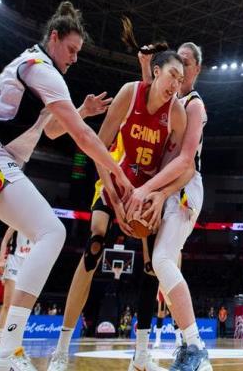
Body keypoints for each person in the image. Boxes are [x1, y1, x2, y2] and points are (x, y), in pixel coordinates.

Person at [0, 1, 132, 371]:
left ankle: (6, 350)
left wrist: (81, 110)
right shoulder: (43, 70)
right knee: (51, 231)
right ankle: (6, 350)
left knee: (48, 231)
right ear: (54, 37)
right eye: (72, 49)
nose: (75, 58)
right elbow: (82, 136)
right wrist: (117, 171)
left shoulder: (33, 64)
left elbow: (50, 130)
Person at [48, 39, 186, 371]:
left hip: (147, 194)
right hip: (114, 180)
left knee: (152, 266)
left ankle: (141, 354)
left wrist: (154, 199)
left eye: (181, 80)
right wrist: (114, 195)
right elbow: (99, 146)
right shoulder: (130, 93)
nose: (176, 85)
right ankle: (61, 350)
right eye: (173, 75)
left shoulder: (177, 114)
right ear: (156, 72)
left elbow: (172, 168)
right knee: (94, 246)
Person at [130, 42, 211, 371]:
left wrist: (151, 190)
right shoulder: (170, 102)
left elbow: (186, 161)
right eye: (177, 64)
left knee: (162, 259)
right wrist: (146, 69)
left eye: (187, 64)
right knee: (159, 269)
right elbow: (147, 107)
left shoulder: (194, 105)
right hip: (162, 191)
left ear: (196, 70)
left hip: (183, 189)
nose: (181, 69)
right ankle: (187, 345)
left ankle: (196, 346)